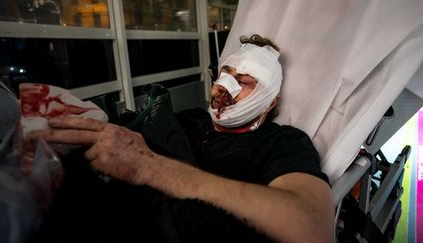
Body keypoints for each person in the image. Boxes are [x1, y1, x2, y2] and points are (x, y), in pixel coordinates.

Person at [27, 34, 335, 243]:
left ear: (270, 101)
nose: (222, 87)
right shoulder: (189, 118)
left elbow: (312, 227)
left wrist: (148, 166)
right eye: (223, 74)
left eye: (242, 81)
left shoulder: (283, 143)